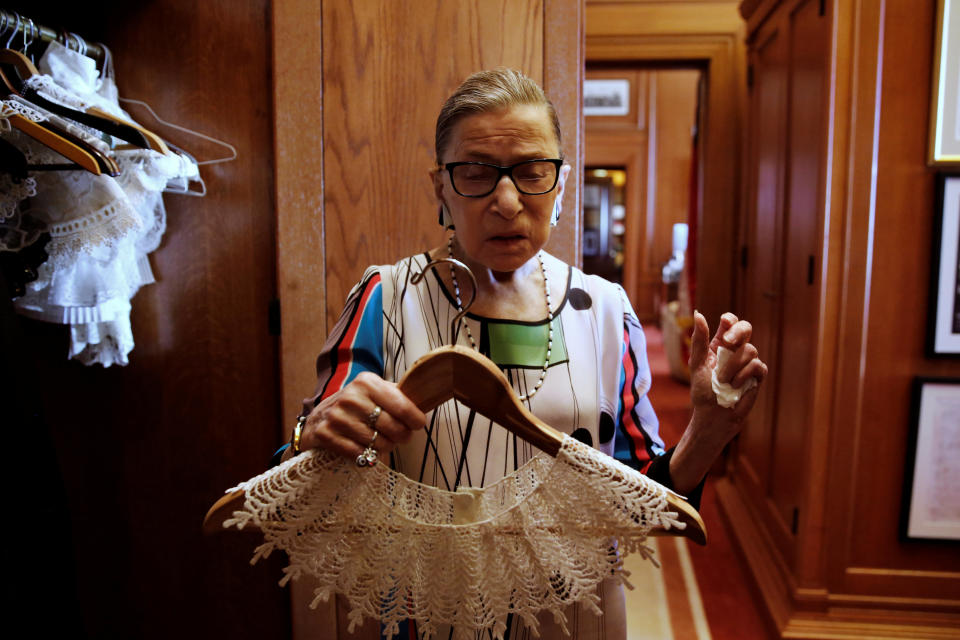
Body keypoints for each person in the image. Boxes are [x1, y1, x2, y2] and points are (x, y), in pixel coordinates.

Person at [278, 68, 767, 640]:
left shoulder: (605, 310)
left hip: (574, 617)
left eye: (532, 172)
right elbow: (297, 480)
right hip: (429, 615)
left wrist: (707, 429)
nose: (507, 202)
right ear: (442, 187)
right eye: (476, 174)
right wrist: (312, 434)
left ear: (559, 185)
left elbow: (643, 504)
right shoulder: (387, 299)